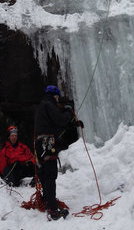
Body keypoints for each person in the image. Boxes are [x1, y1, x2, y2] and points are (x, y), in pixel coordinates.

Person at [34, 85, 84, 221]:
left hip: (40, 143)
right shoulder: (48, 104)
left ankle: (47, 200)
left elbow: (57, 123)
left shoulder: (42, 106)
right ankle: (52, 210)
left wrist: (74, 124)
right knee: (50, 174)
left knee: (45, 173)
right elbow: (60, 120)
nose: (58, 100)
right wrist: (68, 111)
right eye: (57, 97)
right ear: (53, 95)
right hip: (47, 142)